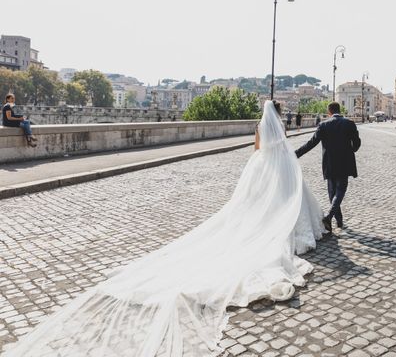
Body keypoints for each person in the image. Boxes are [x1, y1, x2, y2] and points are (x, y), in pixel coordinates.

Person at [5, 100, 324, 357]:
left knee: (252, 206)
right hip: (278, 164)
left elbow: (258, 149)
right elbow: (280, 148)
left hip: (260, 166)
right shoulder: (281, 126)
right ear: (279, 115)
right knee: (283, 199)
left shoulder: (259, 126)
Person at [295, 101, 361, 233]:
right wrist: (351, 150)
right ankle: (332, 217)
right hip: (344, 161)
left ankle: (337, 220)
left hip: (329, 163)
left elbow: (311, 143)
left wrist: (296, 154)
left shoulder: (323, 125)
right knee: (341, 189)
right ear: (339, 110)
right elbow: (357, 143)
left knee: (332, 193)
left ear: (329, 112)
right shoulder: (349, 123)